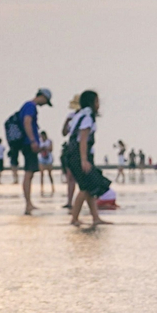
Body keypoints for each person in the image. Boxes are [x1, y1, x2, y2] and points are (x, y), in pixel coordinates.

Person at [62, 91, 111, 226]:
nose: (98, 105)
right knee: (85, 187)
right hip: (79, 155)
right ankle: (74, 218)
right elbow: (83, 139)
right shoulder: (87, 117)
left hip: (72, 154)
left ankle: (95, 218)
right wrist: (84, 160)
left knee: (89, 187)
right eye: (97, 102)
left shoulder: (79, 115)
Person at [8, 88, 52, 214]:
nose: (44, 104)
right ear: (42, 96)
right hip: (28, 143)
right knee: (29, 173)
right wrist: (33, 140)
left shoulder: (28, 106)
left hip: (27, 143)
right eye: (46, 101)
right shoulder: (30, 106)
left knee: (30, 173)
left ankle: (29, 203)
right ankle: (28, 204)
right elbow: (27, 122)